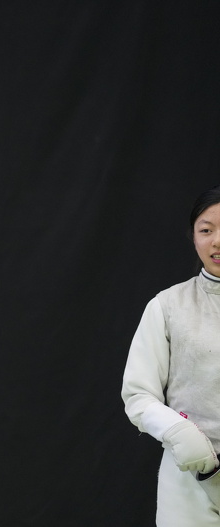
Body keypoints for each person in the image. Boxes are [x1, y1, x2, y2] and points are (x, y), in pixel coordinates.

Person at [122, 184, 220, 525]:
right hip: (190, 479)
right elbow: (138, 394)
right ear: (193, 237)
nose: (217, 241)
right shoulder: (168, 306)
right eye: (206, 230)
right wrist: (181, 433)